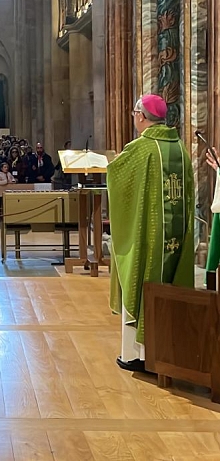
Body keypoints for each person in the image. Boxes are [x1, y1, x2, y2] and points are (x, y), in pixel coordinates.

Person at [108, 94, 194, 373]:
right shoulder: (180, 148)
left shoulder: (140, 149)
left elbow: (117, 180)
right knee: (169, 282)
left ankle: (136, 355)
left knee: (140, 276)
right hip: (175, 238)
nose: (134, 118)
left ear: (141, 116)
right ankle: (169, 351)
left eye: (134, 113)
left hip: (149, 237)